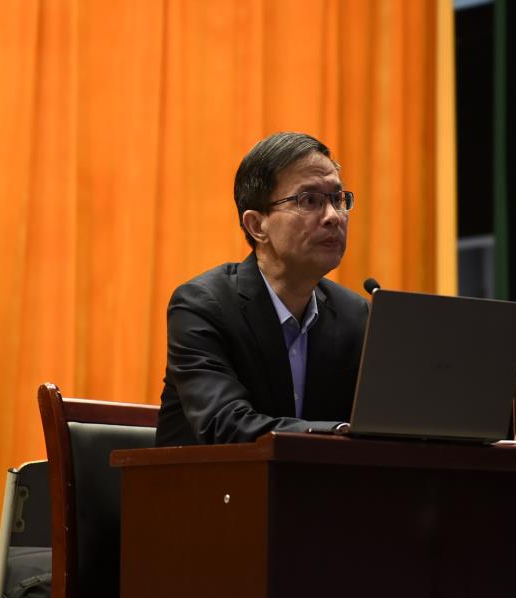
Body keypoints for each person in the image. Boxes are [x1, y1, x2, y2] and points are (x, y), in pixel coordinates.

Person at [155, 132, 368, 446]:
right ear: (257, 225)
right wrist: (338, 432)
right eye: (310, 201)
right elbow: (226, 425)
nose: (333, 217)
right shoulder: (203, 306)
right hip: (214, 476)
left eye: (337, 199)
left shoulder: (354, 314)